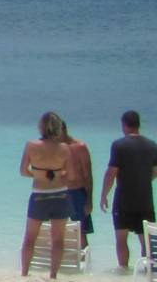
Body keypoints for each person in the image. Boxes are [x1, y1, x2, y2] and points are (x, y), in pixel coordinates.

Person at [100, 111, 157, 271]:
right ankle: (148, 271)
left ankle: (124, 269)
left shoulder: (119, 145)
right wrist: (144, 180)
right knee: (146, 239)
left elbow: (111, 172)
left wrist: (104, 195)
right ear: (139, 124)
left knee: (121, 238)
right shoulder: (152, 145)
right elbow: (155, 171)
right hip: (145, 200)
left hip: (124, 200)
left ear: (124, 125)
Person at [20, 111, 75, 278]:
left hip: (39, 195)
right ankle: (53, 275)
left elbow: (23, 171)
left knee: (30, 238)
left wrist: (37, 175)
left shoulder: (31, 145)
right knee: (58, 239)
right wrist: (58, 175)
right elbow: (71, 176)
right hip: (60, 195)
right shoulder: (65, 148)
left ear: (41, 127)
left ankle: (25, 273)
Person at [64, 122, 95, 255]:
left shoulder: (79, 147)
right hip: (58, 193)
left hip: (77, 193)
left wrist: (89, 200)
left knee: (81, 233)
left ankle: (85, 267)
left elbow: (87, 175)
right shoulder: (54, 148)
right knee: (55, 230)